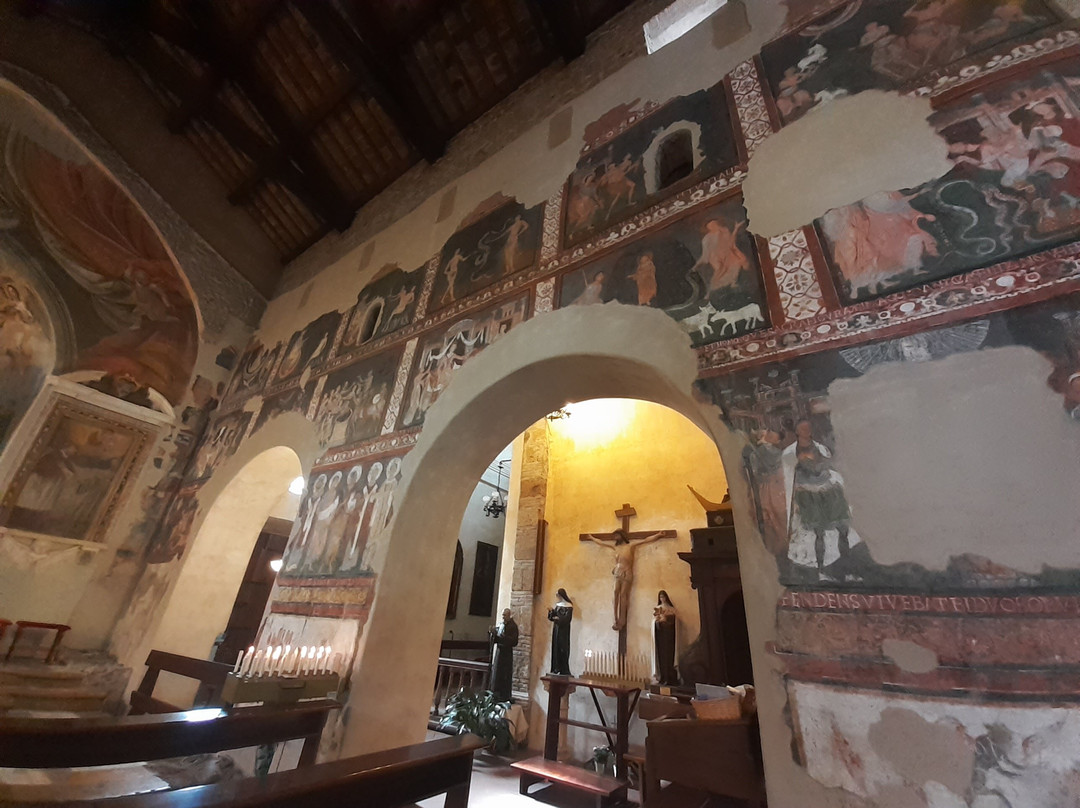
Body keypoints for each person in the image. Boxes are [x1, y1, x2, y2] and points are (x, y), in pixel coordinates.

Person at [585, 528, 667, 631]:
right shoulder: (616, 547)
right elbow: (601, 543)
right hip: (617, 572)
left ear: (622, 535)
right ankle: (615, 618)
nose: (615, 538)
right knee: (615, 593)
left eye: (617, 535)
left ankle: (622, 620)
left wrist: (658, 535)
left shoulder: (630, 546)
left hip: (627, 572)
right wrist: (592, 538)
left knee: (623, 595)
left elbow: (645, 540)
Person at [489, 608, 519, 701]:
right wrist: (493, 634)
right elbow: (496, 638)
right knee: (496, 673)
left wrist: (503, 638)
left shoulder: (513, 626)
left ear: (509, 615)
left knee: (505, 674)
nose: (503, 617)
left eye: (504, 615)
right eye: (502, 615)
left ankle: (504, 696)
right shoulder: (501, 624)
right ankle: (495, 693)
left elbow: (514, 641)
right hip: (499, 652)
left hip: (506, 654)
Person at [653, 590, 678, 686]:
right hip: (661, 637)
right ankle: (663, 677)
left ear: (666, 597)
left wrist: (666, 619)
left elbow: (675, 623)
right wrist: (657, 621)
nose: (662, 599)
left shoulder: (671, 609)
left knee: (669, 657)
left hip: (669, 637)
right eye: (660, 597)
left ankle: (669, 677)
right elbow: (653, 623)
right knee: (661, 658)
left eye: (663, 597)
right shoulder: (657, 608)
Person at [548, 588, 574, 676]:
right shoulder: (558, 605)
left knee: (563, 648)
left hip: (563, 631)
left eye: (558, 596)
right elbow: (553, 617)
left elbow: (567, 619)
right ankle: (556, 667)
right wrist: (551, 612)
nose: (557, 597)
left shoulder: (569, 606)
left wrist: (558, 619)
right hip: (556, 629)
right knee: (556, 648)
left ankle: (563, 669)